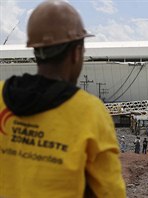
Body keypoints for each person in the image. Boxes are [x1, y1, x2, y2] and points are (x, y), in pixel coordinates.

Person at [0, 1, 126, 198]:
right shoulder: (90, 113)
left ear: (35, 51)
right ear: (76, 53)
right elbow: (110, 192)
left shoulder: (1, 96)